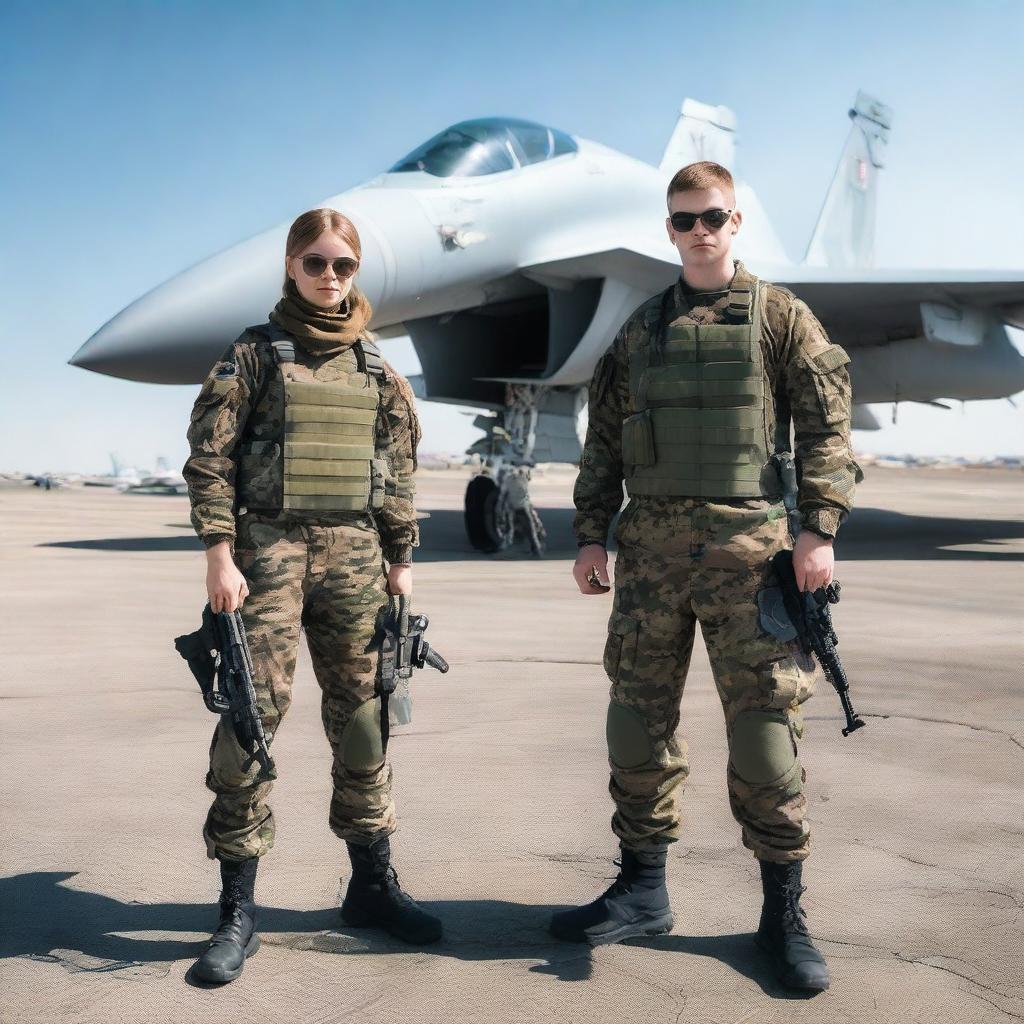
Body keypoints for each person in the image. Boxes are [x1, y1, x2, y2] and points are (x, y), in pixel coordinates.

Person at [550, 161, 859, 993]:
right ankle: (643, 891)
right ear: (670, 228)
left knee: (764, 738)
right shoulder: (641, 328)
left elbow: (828, 426)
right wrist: (589, 536)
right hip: (648, 558)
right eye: (684, 219)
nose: (700, 231)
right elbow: (604, 441)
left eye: (713, 216)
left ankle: (781, 913)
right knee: (635, 727)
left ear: (735, 220)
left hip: (749, 556)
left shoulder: (780, 316)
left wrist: (818, 527)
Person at [182, 208, 441, 985]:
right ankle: (238, 906)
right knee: (248, 721)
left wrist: (401, 558)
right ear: (291, 266)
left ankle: (370, 886)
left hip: (358, 557)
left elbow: (396, 467)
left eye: (344, 266)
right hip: (266, 554)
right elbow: (209, 456)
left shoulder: (374, 366)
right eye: (316, 263)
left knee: (365, 720)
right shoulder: (255, 354)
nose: (331, 277)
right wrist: (218, 554)